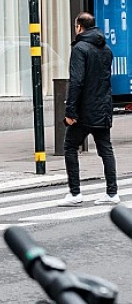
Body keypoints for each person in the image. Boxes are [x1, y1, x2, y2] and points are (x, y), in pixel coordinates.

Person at [59, 12, 119, 207]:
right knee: (106, 149)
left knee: (69, 146)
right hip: (103, 108)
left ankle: (75, 193)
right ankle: (112, 192)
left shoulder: (80, 48)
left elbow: (76, 81)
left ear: (79, 27)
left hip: (85, 110)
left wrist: (70, 111)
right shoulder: (106, 49)